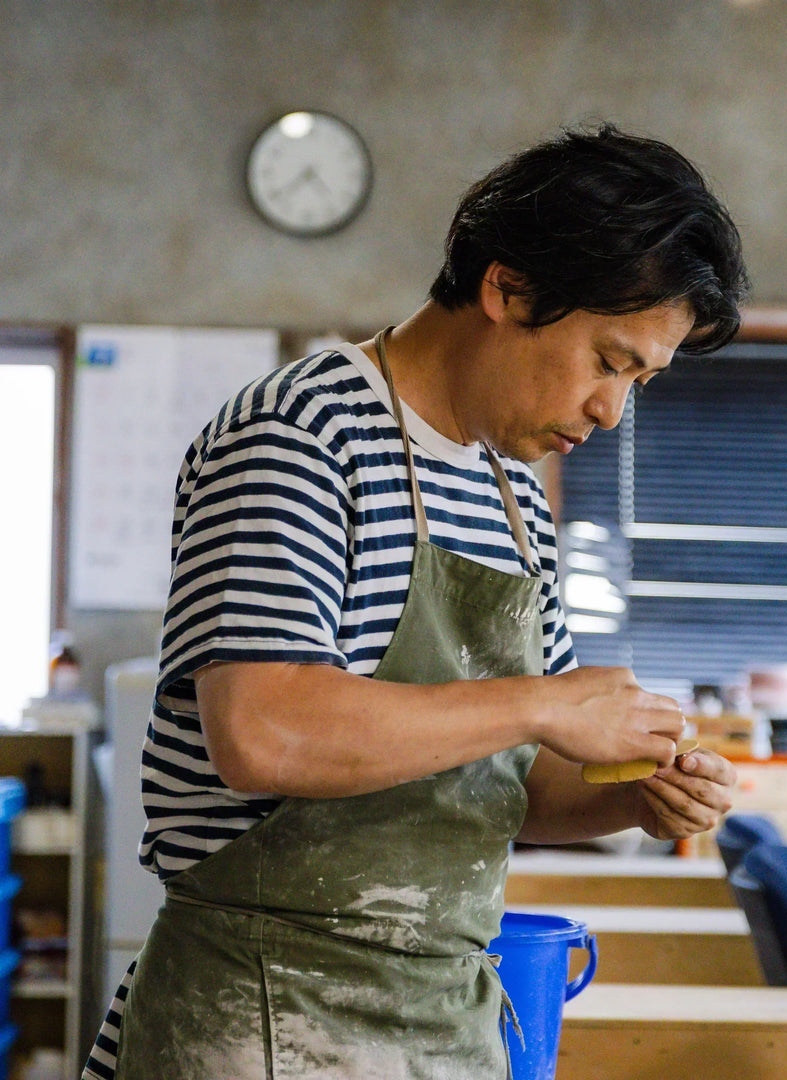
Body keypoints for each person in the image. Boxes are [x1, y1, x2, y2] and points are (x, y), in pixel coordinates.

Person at [84, 121, 749, 1080]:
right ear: (507, 287)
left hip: (440, 1020)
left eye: (639, 382)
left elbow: (502, 786)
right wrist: (546, 703)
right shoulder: (302, 431)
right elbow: (264, 732)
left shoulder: (514, 491)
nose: (613, 412)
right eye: (609, 362)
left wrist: (635, 800)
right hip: (267, 1014)